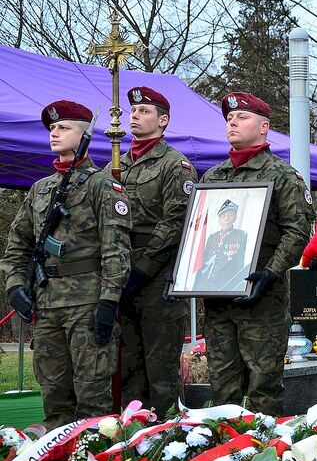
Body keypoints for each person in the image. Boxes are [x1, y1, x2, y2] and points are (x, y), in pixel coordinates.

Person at [1, 101, 131, 429]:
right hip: (46, 303)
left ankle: (95, 457)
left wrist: (109, 300)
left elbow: (116, 249)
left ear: (84, 135)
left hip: (87, 302)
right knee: (54, 394)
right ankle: (58, 457)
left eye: (63, 128)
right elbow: (17, 246)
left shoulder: (102, 185)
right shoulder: (41, 189)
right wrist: (15, 286)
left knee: (92, 396)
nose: (54, 133)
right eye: (52, 128)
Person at [199, 92, 313, 415]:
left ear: (264, 127)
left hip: (262, 300)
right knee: (223, 390)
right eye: (229, 118)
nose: (232, 122)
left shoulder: (282, 175)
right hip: (218, 302)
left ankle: (264, 447)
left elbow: (297, 232)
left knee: (264, 389)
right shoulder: (212, 177)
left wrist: (271, 272)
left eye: (242, 117)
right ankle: (226, 446)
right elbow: (200, 234)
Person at [116, 86, 196, 416]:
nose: (135, 115)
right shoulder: (116, 165)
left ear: (163, 121)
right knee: (128, 366)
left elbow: (175, 222)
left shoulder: (175, 165)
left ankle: (167, 434)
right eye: (133, 111)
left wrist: (143, 269)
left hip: (158, 277)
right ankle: (131, 429)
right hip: (120, 272)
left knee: (160, 370)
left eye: (144, 111)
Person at [197, 200, 249, 291]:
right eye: (223, 216)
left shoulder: (241, 235)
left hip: (226, 286)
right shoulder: (212, 237)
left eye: (230, 215)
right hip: (207, 285)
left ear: (235, 218)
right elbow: (204, 261)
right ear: (219, 219)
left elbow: (240, 263)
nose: (226, 219)